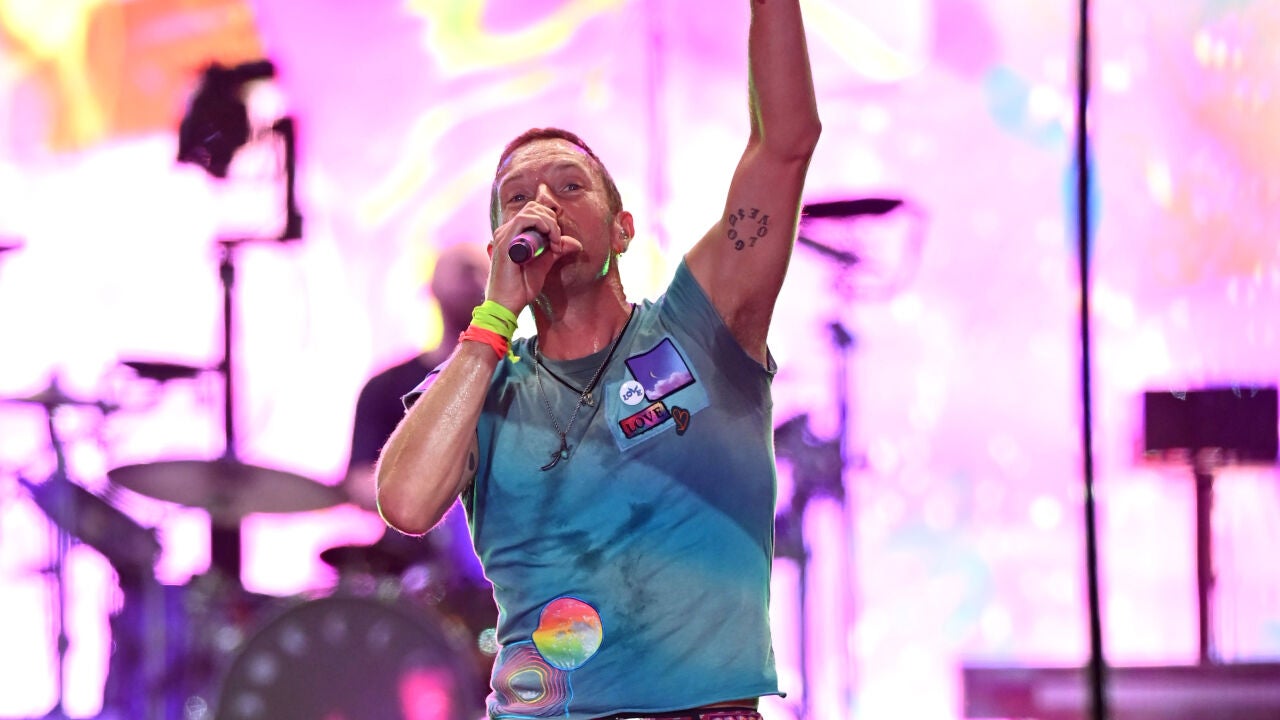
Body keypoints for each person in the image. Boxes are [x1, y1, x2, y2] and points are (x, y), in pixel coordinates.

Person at [376, 2, 820, 718]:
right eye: (517, 198)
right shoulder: (482, 384)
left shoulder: (701, 328)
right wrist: (493, 319)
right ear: (501, 246)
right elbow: (405, 502)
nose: (542, 203)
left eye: (569, 186)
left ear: (622, 230)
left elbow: (785, 145)